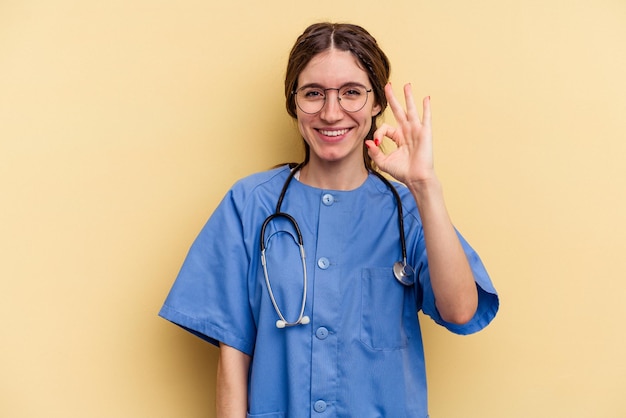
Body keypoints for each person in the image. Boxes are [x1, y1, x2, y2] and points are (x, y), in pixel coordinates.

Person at [159, 22, 499, 418]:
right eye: (313, 94)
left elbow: (460, 309)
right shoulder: (251, 204)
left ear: (375, 103)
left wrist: (425, 185)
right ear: (294, 102)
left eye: (352, 93)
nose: (331, 112)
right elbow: (233, 352)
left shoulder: (409, 209)